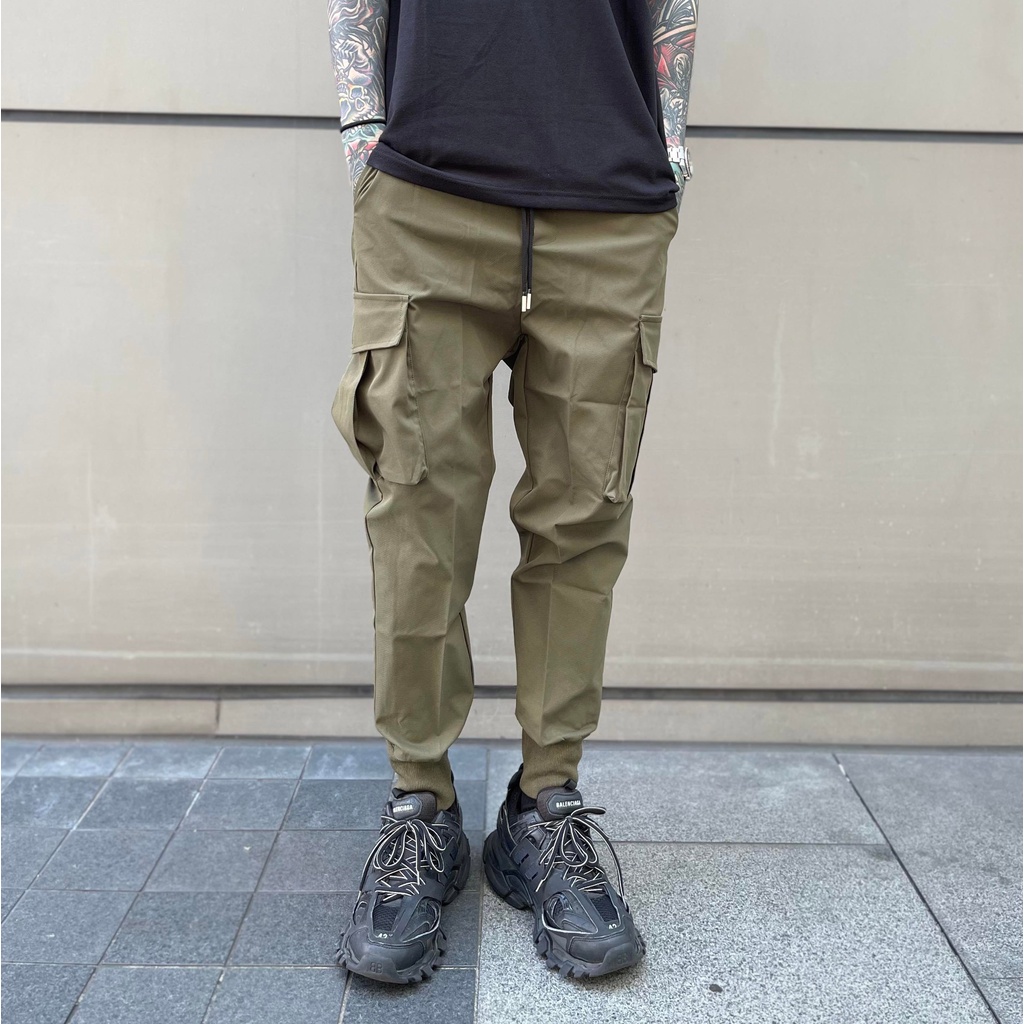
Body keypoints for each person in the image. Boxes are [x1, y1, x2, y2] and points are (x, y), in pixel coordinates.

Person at [327, 0, 697, 984]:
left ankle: (545, 807)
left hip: (610, 196)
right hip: (425, 189)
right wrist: (362, 126)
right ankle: (421, 806)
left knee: (584, 515)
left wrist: (669, 142)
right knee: (417, 518)